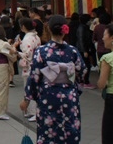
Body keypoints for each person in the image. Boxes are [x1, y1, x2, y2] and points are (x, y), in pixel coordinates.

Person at [20, 15, 87, 143]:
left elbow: (34, 76)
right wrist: (72, 83)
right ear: (64, 31)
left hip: (48, 95)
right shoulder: (72, 51)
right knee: (69, 129)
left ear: (49, 29)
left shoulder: (41, 51)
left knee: (48, 130)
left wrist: (27, 99)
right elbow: (82, 70)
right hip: (69, 96)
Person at [15, 18, 40, 122]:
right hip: (36, 65)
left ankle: (34, 112)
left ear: (24, 27)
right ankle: (30, 111)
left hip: (30, 65)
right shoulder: (36, 36)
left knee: (30, 88)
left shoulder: (27, 39)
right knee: (33, 88)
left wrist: (16, 52)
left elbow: (27, 54)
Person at [76, 13, 96, 88]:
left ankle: (82, 80)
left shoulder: (84, 27)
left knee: (84, 65)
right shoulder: (82, 28)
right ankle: (85, 81)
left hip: (84, 48)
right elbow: (81, 39)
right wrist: (84, 50)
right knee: (86, 65)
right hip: (83, 49)